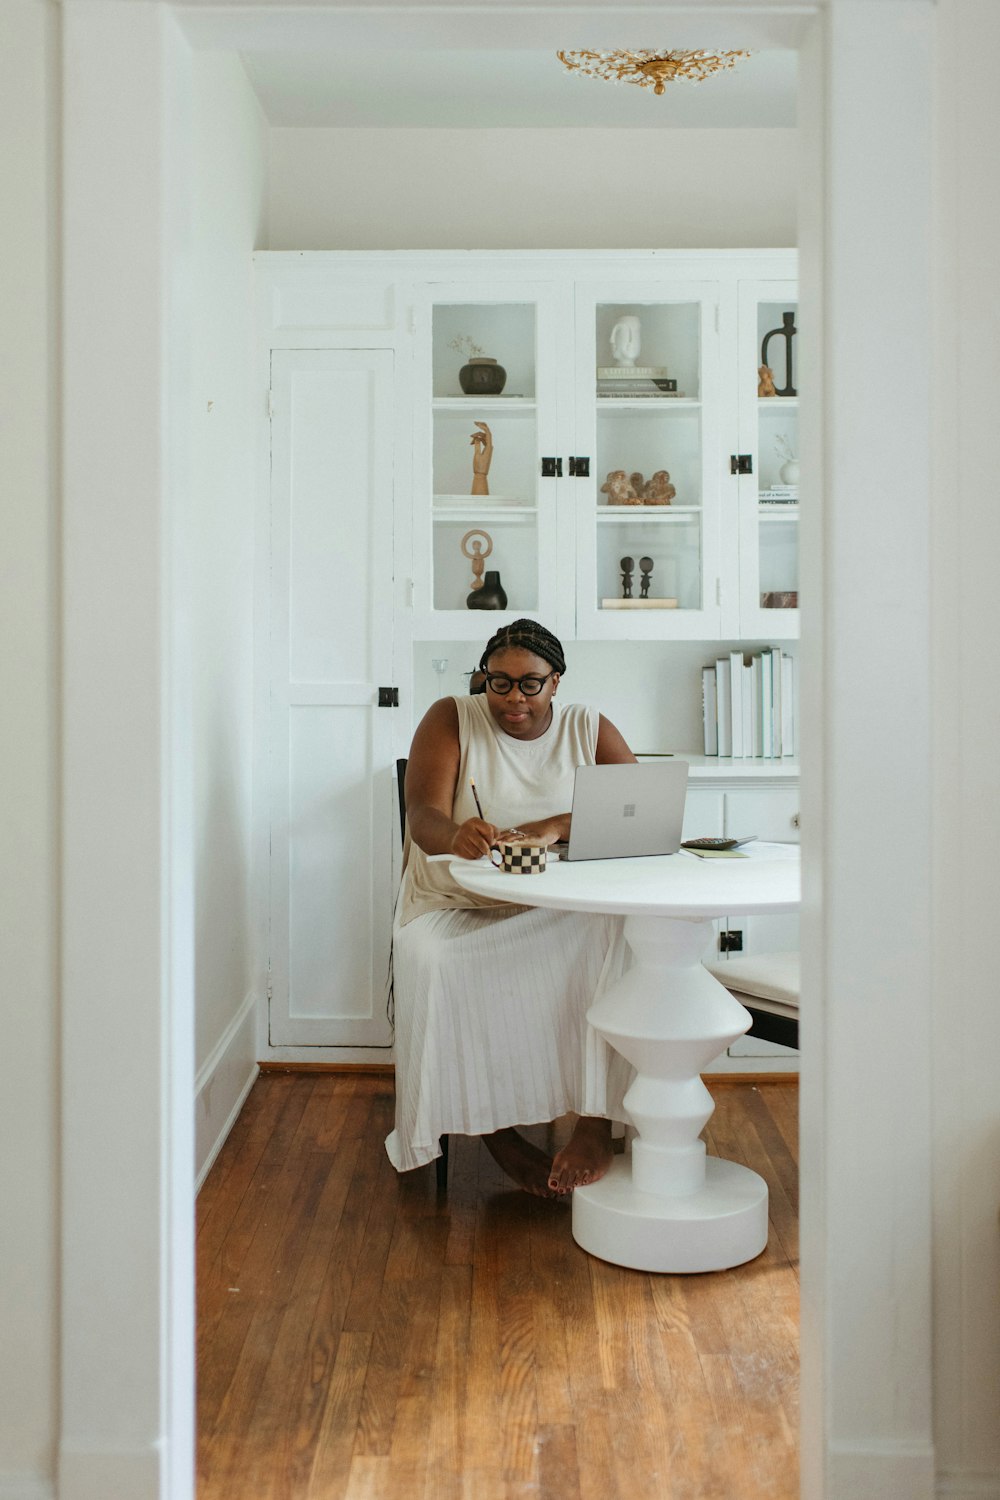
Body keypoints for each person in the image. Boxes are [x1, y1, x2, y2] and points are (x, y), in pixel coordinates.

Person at [385, 620, 637, 1198]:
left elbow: (636, 808)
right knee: (442, 963)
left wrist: (555, 826)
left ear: (556, 683)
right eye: (499, 683)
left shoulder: (586, 726)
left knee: (617, 942)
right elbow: (421, 816)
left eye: (530, 684)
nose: (513, 699)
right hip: (455, 899)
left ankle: (595, 1122)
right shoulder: (452, 716)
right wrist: (455, 836)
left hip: (555, 902)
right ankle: (492, 1131)